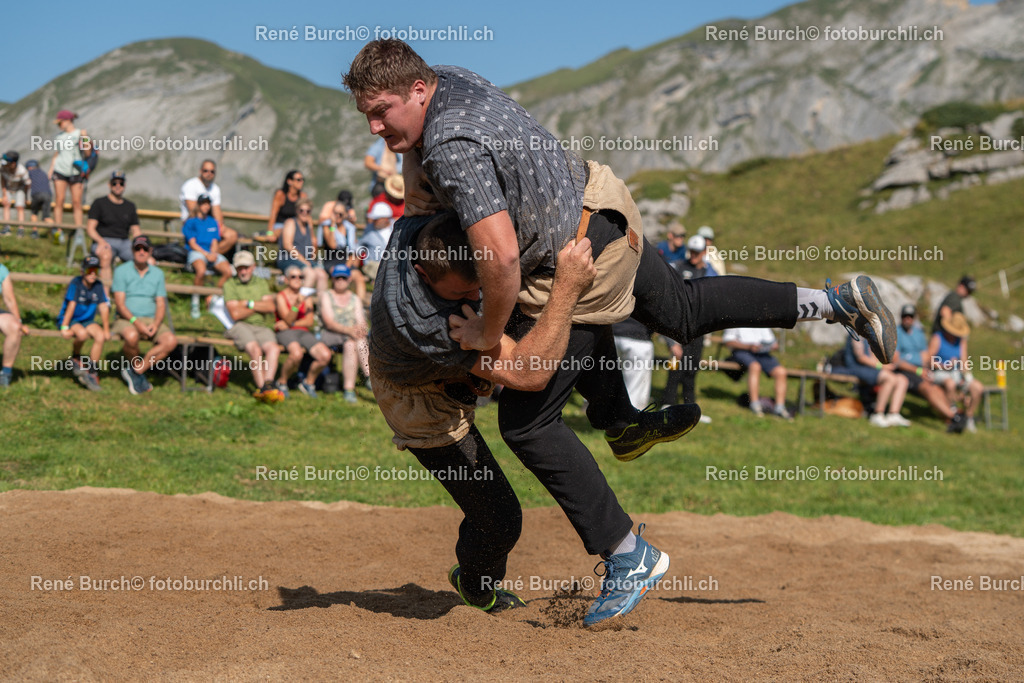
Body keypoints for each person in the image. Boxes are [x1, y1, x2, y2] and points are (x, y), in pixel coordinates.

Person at [345, 40, 898, 626]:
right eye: (367, 117)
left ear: (418, 89)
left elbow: (503, 265)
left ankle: (626, 552)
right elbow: (478, 244)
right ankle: (835, 302)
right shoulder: (451, 82)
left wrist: (488, 326)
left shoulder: (450, 153)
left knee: (528, 421)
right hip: (601, 204)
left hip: (578, 259)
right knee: (680, 307)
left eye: (383, 111)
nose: (376, 127)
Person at [368, 213, 692, 620]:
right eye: (461, 294)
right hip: (421, 405)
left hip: (450, 370)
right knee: (500, 519)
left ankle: (620, 419)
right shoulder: (428, 323)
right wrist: (567, 288)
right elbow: (529, 375)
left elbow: (417, 176)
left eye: (478, 288)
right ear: (422, 274)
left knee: (567, 318)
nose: (473, 300)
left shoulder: (414, 229)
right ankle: (475, 583)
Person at [111, 236, 177, 395]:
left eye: (145, 249)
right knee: (132, 336)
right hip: (126, 318)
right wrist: (136, 322)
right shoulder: (121, 271)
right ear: (132, 251)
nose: (141, 252)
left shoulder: (158, 274)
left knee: (171, 341)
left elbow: (161, 303)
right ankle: (137, 373)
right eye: (137, 248)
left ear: (150, 251)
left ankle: (137, 370)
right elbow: (120, 304)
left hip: (151, 318)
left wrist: (156, 323)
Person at [223, 251, 284, 403]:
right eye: (240, 268)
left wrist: (247, 303)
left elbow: (270, 307)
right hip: (239, 326)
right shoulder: (229, 284)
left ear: (253, 267)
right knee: (255, 350)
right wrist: (258, 306)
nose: (243, 271)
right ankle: (262, 388)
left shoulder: (261, 283)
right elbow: (235, 315)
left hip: (261, 326)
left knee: (273, 349)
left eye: (246, 267)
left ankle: (268, 384)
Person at [661, 235, 711, 417]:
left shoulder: (708, 272)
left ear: (704, 252)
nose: (694, 255)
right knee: (676, 365)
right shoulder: (679, 267)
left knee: (691, 369)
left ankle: (690, 407)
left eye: (698, 252)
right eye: (692, 251)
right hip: (679, 325)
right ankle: (667, 403)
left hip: (699, 328)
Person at [894, 303, 962, 431]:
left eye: (910, 316)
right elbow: (896, 360)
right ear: (901, 317)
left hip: (920, 370)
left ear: (914, 318)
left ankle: (949, 419)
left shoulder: (919, 334)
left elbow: (925, 356)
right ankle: (954, 417)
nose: (907, 319)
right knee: (928, 389)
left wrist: (927, 370)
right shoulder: (895, 333)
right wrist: (918, 370)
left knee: (937, 389)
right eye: (905, 316)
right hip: (905, 370)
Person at [275, 265, 332, 398]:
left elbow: (309, 321)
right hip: (285, 333)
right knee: (296, 354)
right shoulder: (281, 296)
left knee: (325, 355)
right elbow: (286, 319)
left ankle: (308, 382)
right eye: (293, 277)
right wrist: (295, 306)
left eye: (301, 277)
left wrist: (292, 323)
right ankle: (282, 382)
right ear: (287, 280)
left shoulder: (307, 298)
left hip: (303, 332)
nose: (297, 279)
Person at [58, 255, 110, 391]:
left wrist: (106, 329)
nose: (93, 274)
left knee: (100, 336)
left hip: (88, 320)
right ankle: (75, 357)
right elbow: (71, 306)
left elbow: (103, 307)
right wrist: (64, 327)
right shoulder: (75, 283)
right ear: (82, 271)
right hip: (71, 319)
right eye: (89, 271)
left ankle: (92, 371)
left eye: (96, 271)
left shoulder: (98, 286)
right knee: (82, 335)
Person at [834, 335, 910, 428]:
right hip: (856, 368)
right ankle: (877, 414)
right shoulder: (855, 333)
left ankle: (893, 414)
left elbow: (872, 356)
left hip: (868, 368)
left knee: (902, 379)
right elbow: (861, 358)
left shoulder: (866, 334)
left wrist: (886, 365)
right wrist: (881, 367)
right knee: (889, 378)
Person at [320, 264, 370, 403]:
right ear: (333, 279)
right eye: (337, 278)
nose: (340, 280)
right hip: (332, 333)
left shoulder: (354, 298)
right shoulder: (327, 296)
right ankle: (361, 383)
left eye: (343, 277)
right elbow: (329, 323)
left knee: (354, 343)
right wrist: (350, 331)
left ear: (349, 280)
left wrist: (360, 329)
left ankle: (358, 383)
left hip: (351, 335)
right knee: (352, 341)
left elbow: (361, 320)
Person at [927, 312, 983, 433]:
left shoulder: (961, 341)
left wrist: (968, 377)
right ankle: (952, 415)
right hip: (939, 371)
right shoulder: (938, 337)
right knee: (950, 383)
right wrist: (943, 365)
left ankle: (968, 417)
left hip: (956, 372)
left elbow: (964, 361)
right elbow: (928, 359)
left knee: (977, 387)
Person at [723, 326, 792, 419]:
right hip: (743, 351)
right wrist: (749, 346)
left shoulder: (762, 319)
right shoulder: (736, 317)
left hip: (763, 353)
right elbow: (728, 341)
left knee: (781, 372)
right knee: (755, 367)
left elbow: (771, 339)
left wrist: (773, 345)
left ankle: (779, 408)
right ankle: (755, 405)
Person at [86, 171, 141, 284]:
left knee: (144, 258)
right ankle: (106, 297)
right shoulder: (99, 203)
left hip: (125, 242)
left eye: (121, 183)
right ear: (109, 184)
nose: (117, 186)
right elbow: (90, 228)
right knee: (106, 257)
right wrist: (100, 242)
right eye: (114, 183)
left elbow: (136, 230)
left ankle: (139, 294)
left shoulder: (130, 206)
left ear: (124, 185)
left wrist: (141, 245)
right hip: (104, 240)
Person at [179, 160, 238, 257]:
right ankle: (206, 258)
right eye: (206, 171)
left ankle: (211, 257)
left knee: (232, 235)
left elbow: (217, 211)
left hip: (209, 223)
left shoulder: (215, 188)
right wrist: (211, 227)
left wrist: (219, 227)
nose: (209, 174)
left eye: (212, 171)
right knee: (205, 237)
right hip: (193, 224)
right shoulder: (190, 185)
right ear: (200, 171)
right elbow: (194, 212)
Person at [320, 198, 368, 304]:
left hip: (346, 261)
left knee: (358, 277)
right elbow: (332, 244)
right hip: (331, 260)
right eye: (335, 213)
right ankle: (333, 305)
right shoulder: (327, 226)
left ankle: (360, 306)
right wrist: (333, 225)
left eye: (340, 214)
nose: (337, 216)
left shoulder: (350, 228)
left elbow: (352, 252)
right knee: (339, 276)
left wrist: (347, 266)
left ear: (345, 215)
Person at [47, 109, 86, 234]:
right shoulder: (59, 137)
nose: (59, 125)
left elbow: (88, 150)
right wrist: (51, 169)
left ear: (68, 121)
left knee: (76, 201)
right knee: (59, 199)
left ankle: (78, 229)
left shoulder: (80, 133)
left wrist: (85, 138)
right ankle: (58, 229)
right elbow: (57, 154)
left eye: (60, 122)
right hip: (60, 170)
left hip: (76, 170)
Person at [182, 193, 232, 289]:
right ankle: (196, 298)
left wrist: (213, 253)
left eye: (208, 204)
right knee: (201, 272)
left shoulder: (213, 222)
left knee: (228, 272)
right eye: (203, 203)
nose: (206, 206)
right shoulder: (191, 222)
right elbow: (192, 244)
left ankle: (214, 296)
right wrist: (206, 254)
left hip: (211, 253)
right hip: (197, 252)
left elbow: (214, 242)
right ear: (199, 205)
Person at [278, 198, 327, 293]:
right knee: (310, 273)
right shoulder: (291, 223)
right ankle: (301, 303)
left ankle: (322, 304)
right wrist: (304, 261)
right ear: (297, 211)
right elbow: (287, 245)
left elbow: (313, 250)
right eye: (301, 210)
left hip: (304, 260)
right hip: (288, 258)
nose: (304, 213)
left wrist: (311, 228)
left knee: (322, 274)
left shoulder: (308, 227)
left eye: (307, 211)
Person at [611, 317, 654, 411]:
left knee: (609, 378)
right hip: (638, 340)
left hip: (614, 334)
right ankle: (630, 418)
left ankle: (601, 411)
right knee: (635, 389)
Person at [259, 170, 307, 244]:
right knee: (286, 233)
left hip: (296, 227)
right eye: (298, 180)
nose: (301, 182)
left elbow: (306, 216)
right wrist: (270, 233)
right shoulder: (280, 194)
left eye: (302, 180)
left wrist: (311, 235)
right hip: (280, 225)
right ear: (289, 181)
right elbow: (273, 214)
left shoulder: (303, 196)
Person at [0, 261, 27, 388]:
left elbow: (9, 299)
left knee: (14, 327)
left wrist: (19, 322)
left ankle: (5, 373)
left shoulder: (2, 270)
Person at [358, 202, 394, 282]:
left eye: (376, 219)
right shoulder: (369, 229)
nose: (373, 221)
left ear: (385, 218)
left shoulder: (396, 227)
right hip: (373, 266)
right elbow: (359, 247)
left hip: (393, 264)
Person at [1, 151, 30, 234]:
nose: (5, 164)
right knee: (6, 204)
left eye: (7, 163)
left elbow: (27, 184)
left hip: (20, 189)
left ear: (13, 163)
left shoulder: (22, 171)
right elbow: (2, 179)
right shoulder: (3, 167)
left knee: (20, 206)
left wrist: (25, 196)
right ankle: (6, 227)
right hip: (8, 187)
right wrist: (4, 194)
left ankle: (21, 228)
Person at [25, 160, 53, 235]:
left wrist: (25, 197)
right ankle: (56, 230)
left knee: (34, 213)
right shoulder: (43, 173)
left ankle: (34, 232)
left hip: (36, 194)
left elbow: (27, 184)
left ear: (29, 167)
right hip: (48, 194)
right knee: (46, 217)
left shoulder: (30, 173)